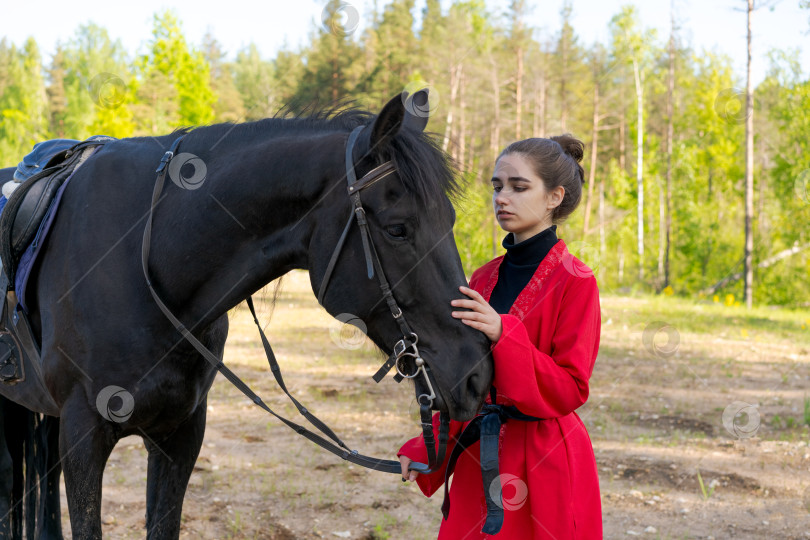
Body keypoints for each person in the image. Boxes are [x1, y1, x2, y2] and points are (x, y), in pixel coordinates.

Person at [397, 135, 602, 539]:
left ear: (553, 197)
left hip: (546, 461)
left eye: (518, 187)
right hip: (480, 455)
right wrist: (426, 446)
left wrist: (503, 332)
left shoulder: (576, 281)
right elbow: (467, 382)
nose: (502, 197)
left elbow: (570, 387)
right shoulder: (482, 278)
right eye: (497, 186)